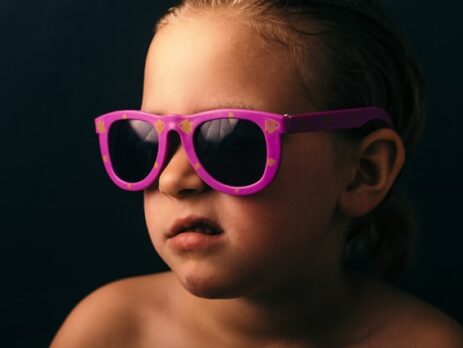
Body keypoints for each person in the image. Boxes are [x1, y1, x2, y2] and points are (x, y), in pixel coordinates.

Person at [51, 0, 463, 346]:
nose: (172, 179)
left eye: (231, 140)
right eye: (145, 140)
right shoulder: (110, 332)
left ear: (363, 173)